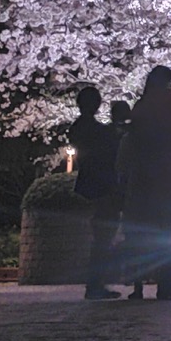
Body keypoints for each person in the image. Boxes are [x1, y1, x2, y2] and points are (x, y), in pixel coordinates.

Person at [121, 66, 171, 300]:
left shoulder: (142, 105)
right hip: (166, 178)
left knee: (141, 233)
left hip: (141, 178)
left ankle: (137, 284)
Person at [68, 85, 125, 299]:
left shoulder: (78, 127)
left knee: (101, 235)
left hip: (91, 183)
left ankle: (95, 283)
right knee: (103, 235)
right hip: (101, 184)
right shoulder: (96, 130)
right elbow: (108, 149)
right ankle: (95, 284)